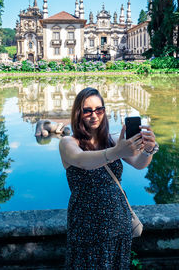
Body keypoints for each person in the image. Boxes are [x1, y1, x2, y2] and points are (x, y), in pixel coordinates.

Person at [59, 87, 158, 269]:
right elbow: (82, 161)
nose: (94, 115)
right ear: (78, 113)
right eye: (87, 110)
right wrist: (116, 152)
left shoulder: (112, 141)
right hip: (86, 227)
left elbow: (139, 163)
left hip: (119, 224)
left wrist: (149, 149)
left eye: (99, 109)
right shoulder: (68, 143)